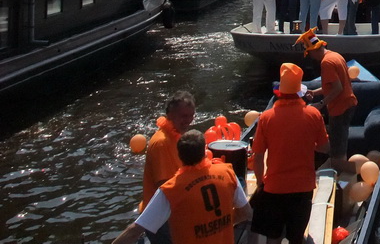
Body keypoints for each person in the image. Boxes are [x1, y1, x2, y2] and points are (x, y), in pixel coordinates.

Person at [112, 129, 250, 244]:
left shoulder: (171, 189)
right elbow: (246, 213)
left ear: (179, 155)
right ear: (204, 151)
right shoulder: (227, 173)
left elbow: (134, 231)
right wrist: (219, 224)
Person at [249, 62, 330, 244]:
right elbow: (324, 148)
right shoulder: (313, 115)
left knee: (273, 237)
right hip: (303, 187)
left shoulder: (266, 118)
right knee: (296, 238)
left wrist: (261, 182)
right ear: (300, 91)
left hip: (274, 188)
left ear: (279, 92)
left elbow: (259, 156)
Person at [297, 30, 357, 176]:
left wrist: (321, 103)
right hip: (349, 104)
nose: (311, 57)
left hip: (340, 109)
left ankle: (356, 174)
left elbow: (337, 88)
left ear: (314, 50)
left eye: (309, 53)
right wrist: (315, 92)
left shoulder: (326, 63)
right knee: (340, 148)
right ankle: (345, 175)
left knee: (336, 157)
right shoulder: (336, 56)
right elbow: (331, 86)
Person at [140, 91, 196, 244]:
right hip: (163, 217)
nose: (188, 121)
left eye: (191, 115)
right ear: (170, 115)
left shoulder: (177, 136)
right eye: (184, 116)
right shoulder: (162, 143)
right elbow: (164, 188)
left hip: (173, 213)